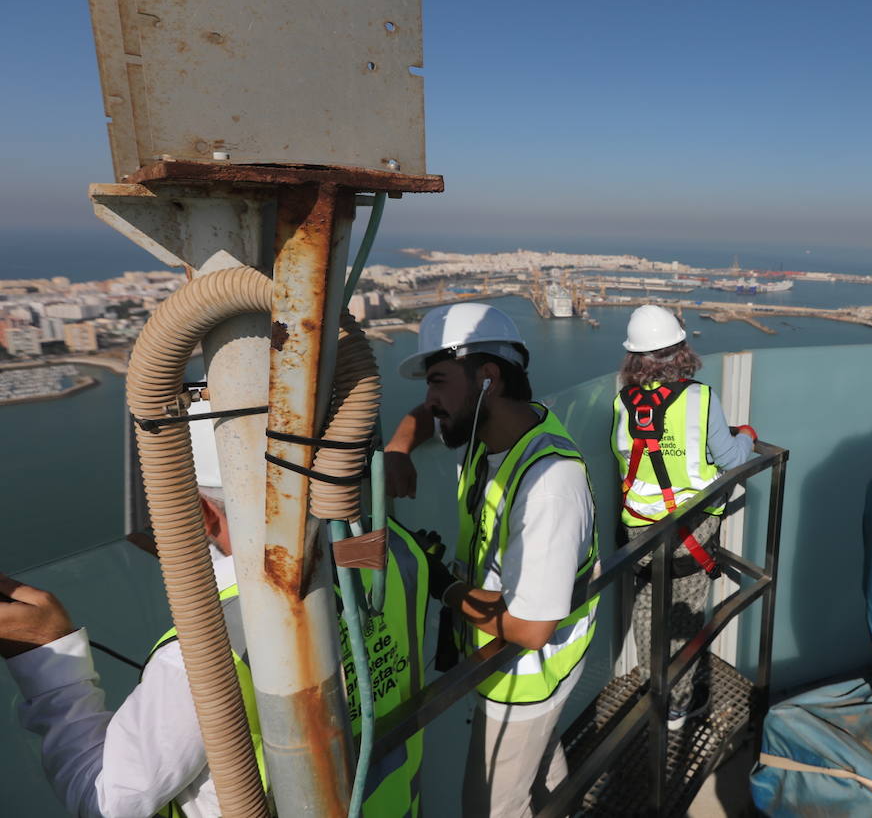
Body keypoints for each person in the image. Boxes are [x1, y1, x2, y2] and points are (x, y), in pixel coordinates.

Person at [0, 401, 432, 817]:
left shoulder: (207, 653)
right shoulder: (394, 551)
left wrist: (47, 655)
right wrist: (201, 554)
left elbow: (108, 802)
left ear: (203, 513)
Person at [385, 302, 598, 818]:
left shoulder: (549, 482)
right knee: (543, 774)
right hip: (517, 663)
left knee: (489, 810)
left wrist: (443, 587)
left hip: (525, 674)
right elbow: (422, 418)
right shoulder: (492, 433)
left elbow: (529, 629)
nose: (429, 400)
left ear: (487, 378)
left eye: (438, 382)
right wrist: (397, 449)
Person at [612, 305, 756, 730]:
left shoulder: (622, 401)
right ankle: (675, 705)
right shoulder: (700, 397)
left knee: (646, 599)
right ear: (681, 350)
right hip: (689, 523)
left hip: (638, 522)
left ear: (635, 358)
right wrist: (746, 437)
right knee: (684, 611)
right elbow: (729, 460)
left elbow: (624, 457)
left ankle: (649, 684)